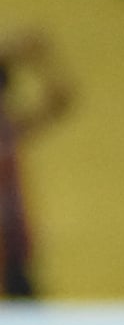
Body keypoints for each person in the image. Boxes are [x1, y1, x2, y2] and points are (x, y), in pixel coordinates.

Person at [0, 27, 76, 300]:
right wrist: (10, 52)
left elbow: (61, 100)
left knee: (29, 318)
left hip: (13, 248)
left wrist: (42, 60)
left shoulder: (9, 128)